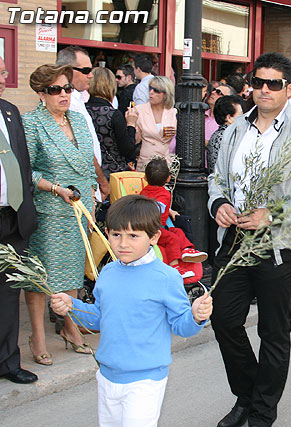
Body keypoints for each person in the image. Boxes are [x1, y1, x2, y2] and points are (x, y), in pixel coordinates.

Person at [208, 52, 291, 427]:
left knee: (273, 332)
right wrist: (219, 202)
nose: (264, 90)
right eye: (258, 82)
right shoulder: (235, 130)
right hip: (234, 240)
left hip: (281, 244)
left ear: (289, 88)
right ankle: (247, 396)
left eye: (273, 84)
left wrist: (273, 213)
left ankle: (262, 413)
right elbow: (217, 176)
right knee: (225, 320)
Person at [49, 194, 212, 427]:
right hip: (107, 376)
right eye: (116, 235)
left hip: (145, 381)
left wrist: (196, 316)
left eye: (133, 236)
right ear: (108, 235)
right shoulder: (107, 273)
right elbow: (99, 319)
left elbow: (181, 326)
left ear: (154, 237)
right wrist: (71, 306)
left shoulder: (166, 277)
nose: (123, 244)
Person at [23, 63, 97, 364]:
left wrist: (92, 192)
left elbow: (88, 165)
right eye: (56, 90)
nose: (65, 94)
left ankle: (70, 327)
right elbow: (24, 170)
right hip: (49, 208)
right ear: (42, 94)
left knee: (72, 272)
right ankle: (38, 335)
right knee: (42, 275)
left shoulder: (79, 120)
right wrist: (55, 188)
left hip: (79, 208)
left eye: (68, 88)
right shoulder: (31, 123)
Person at [0, 56, 39, 385]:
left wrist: (26, 204)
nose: (5, 76)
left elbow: (22, 162)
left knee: (8, 293)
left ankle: (8, 361)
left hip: (12, 217)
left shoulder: (10, 112)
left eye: (4, 71)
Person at [140, 159, 207, 277]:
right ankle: (175, 268)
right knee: (172, 238)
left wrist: (169, 211)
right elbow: (156, 207)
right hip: (155, 230)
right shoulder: (164, 194)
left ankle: (187, 250)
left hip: (154, 227)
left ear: (145, 178)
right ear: (168, 178)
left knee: (178, 231)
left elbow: (154, 203)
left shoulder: (144, 192)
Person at [56, 46, 107, 200]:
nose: (91, 75)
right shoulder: (66, 103)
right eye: (85, 70)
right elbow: (83, 150)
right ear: (67, 71)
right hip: (76, 189)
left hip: (86, 186)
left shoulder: (78, 98)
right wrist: (102, 182)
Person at [86, 67, 138, 177]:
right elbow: (128, 150)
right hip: (112, 173)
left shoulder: (82, 111)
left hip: (87, 171)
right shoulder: (113, 114)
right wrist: (131, 125)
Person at [134, 76, 177, 171]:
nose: (151, 92)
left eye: (156, 90)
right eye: (150, 89)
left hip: (164, 165)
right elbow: (135, 140)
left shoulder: (173, 112)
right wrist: (131, 123)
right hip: (145, 164)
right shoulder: (139, 110)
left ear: (166, 94)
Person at [207, 95, 244, 175]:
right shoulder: (228, 137)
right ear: (229, 118)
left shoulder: (219, 135)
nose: (244, 118)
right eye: (240, 114)